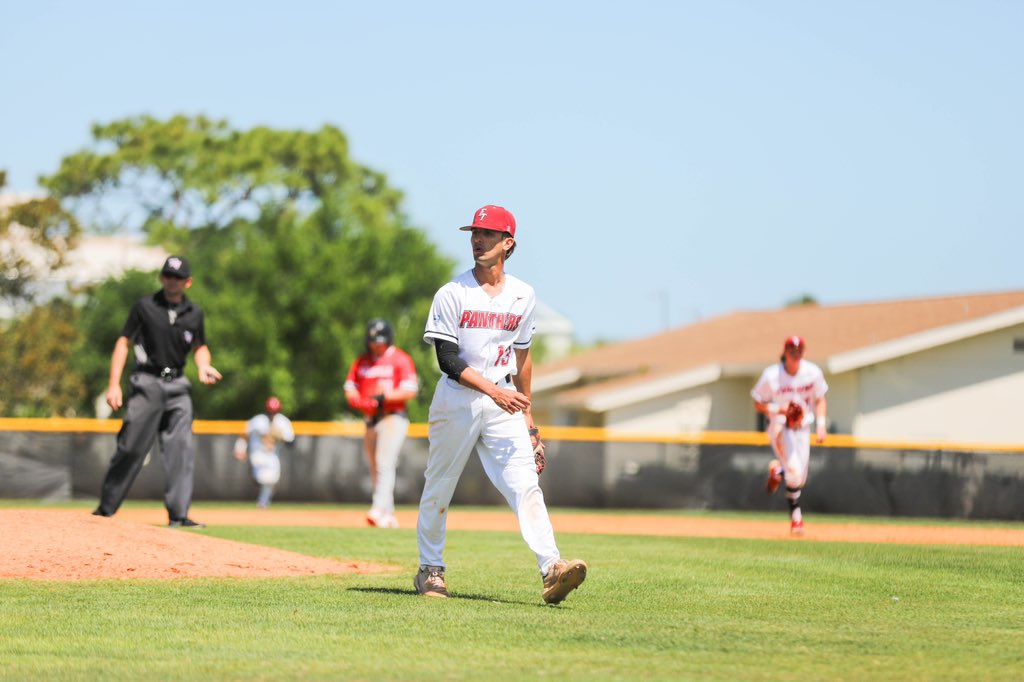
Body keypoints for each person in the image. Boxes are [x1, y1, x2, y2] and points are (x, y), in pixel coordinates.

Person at [414, 204, 587, 604]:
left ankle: (552, 569)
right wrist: (496, 392)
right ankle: (430, 570)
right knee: (440, 485)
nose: (478, 239)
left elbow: (522, 359)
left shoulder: (524, 295)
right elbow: (447, 360)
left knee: (526, 485)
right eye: (474, 233)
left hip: (505, 403)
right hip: (458, 399)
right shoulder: (452, 293)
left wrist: (530, 421)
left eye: (488, 234)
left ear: (508, 243)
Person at [92, 255, 222, 527]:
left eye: (177, 277)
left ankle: (179, 514)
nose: (171, 281)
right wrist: (114, 383)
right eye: (167, 275)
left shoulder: (194, 313)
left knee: (181, 449)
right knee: (131, 447)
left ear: (187, 282)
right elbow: (123, 342)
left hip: (178, 386)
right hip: (147, 382)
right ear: (162, 277)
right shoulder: (145, 307)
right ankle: (106, 509)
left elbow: (200, 346)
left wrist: (204, 366)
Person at [344, 319, 419, 528]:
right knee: (375, 465)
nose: (376, 345)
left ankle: (378, 507)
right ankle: (387, 514)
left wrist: (383, 398)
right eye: (372, 341)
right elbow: (350, 387)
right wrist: (357, 399)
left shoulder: (400, 359)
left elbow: (410, 390)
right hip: (370, 419)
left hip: (392, 417)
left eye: (380, 341)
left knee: (385, 462)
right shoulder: (363, 361)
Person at [751, 335, 829, 536]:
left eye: (799, 351)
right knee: (794, 471)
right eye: (791, 351)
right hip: (779, 427)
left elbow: (820, 399)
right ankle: (797, 520)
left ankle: (777, 472)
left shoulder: (812, 373)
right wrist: (779, 409)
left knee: (799, 479)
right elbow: (757, 403)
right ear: (784, 352)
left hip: (802, 429)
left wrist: (821, 425)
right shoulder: (772, 375)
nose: (795, 355)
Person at [233, 396, 296, 508]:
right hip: (257, 453)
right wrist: (239, 448)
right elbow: (244, 434)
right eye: (270, 411)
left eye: (274, 412)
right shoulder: (258, 420)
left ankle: (262, 503)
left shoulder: (283, 422)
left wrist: (281, 437)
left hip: (272, 456)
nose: (272, 414)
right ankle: (260, 494)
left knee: (273, 480)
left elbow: (291, 442)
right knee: (264, 478)